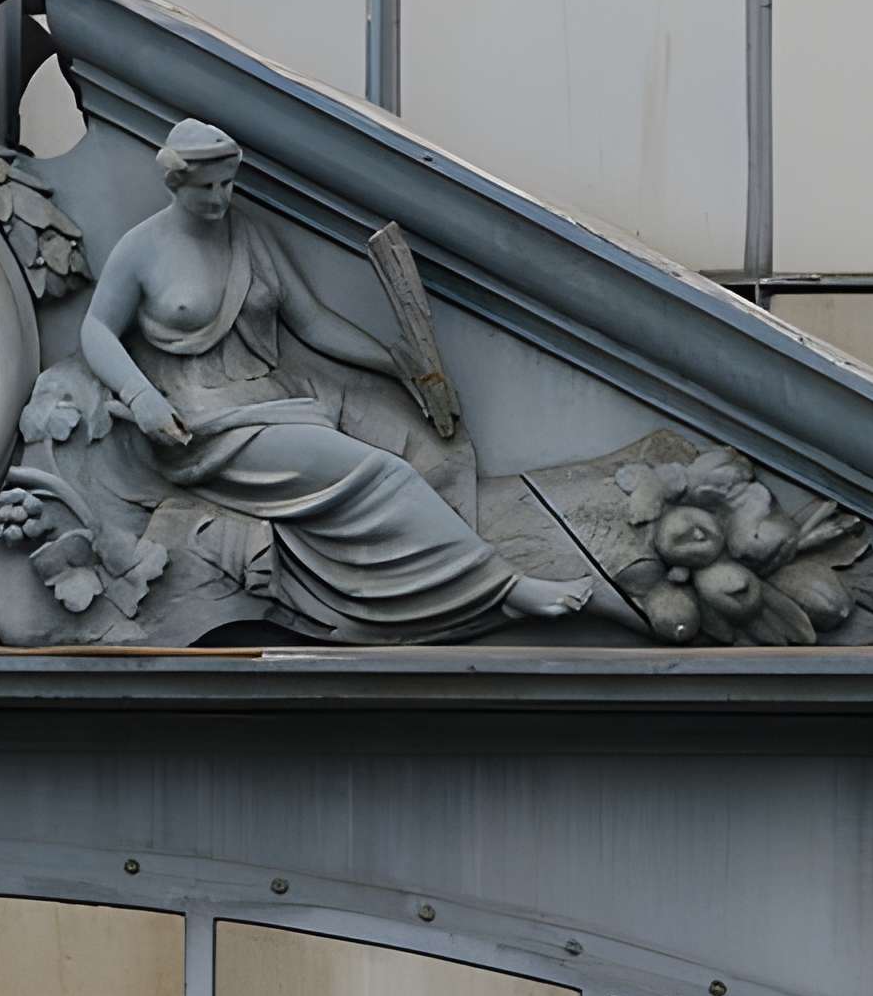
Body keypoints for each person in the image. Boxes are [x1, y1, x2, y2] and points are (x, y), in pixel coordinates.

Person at [79, 118, 592, 640]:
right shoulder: (142, 249)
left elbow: (313, 322)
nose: (219, 198)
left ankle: (406, 594)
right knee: (382, 474)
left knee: (383, 467)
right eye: (205, 187)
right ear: (175, 183)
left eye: (227, 184)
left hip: (271, 408)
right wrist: (140, 395)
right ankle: (500, 588)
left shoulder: (250, 235)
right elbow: (96, 328)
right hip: (202, 427)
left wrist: (393, 362)